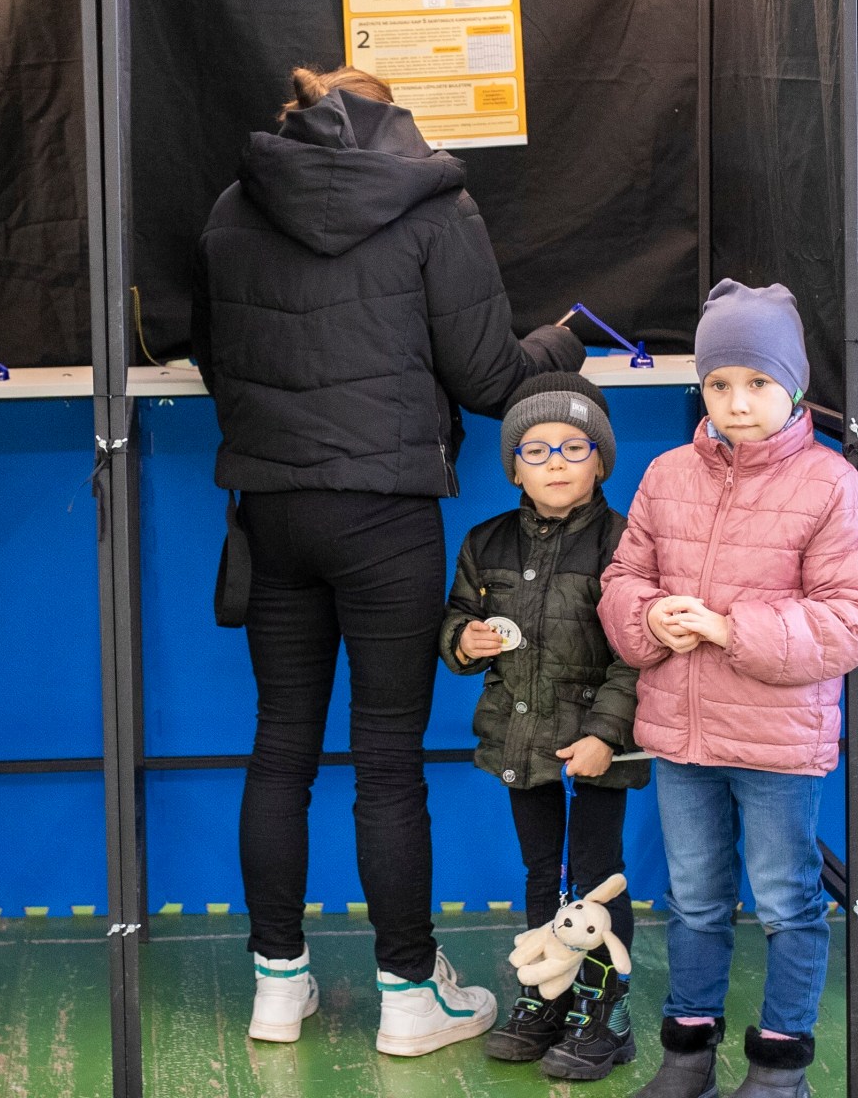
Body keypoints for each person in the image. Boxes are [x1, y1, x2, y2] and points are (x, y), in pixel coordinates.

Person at [193, 65, 583, 1057]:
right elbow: (491, 378)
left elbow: (209, 348)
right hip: (384, 516)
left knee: (280, 747)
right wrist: (556, 347)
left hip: (271, 511)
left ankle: (277, 982)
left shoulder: (235, 207)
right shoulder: (435, 207)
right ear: (390, 122)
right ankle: (410, 992)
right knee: (386, 766)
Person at [599, 279, 858, 1098]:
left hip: (776, 745)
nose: (737, 402)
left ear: (795, 385)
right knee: (693, 902)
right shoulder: (665, 475)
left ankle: (778, 1070)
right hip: (681, 740)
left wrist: (732, 629)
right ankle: (688, 1057)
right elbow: (622, 580)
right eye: (720, 383)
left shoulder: (829, 484)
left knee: (786, 904)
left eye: (758, 383)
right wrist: (653, 617)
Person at [440, 371, 645, 1082]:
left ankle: (605, 1013)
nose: (555, 462)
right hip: (519, 739)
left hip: (597, 742)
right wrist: (464, 641)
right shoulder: (484, 540)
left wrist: (606, 737)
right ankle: (544, 996)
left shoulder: (626, 543)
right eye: (535, 450)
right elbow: (455, 620)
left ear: (601, 459)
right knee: (541, 875)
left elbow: (637, 653)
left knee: (596, 878)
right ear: (514, 467)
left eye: (573, 446)